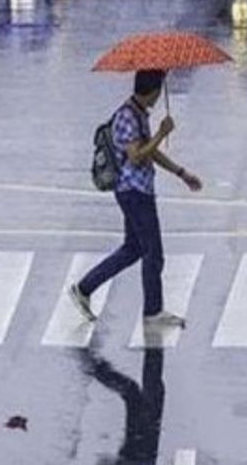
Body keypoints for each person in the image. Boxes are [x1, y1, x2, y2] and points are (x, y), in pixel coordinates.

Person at [69, 70, 203, 326]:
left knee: (134, 249)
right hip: (134, 192)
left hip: (138, 190)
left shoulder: (138, 114)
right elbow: (137, 155)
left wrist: (181, 173)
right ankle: (152, 312)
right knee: (154, 253)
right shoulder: (127, 117)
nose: (157, 97)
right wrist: (162, 134)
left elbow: (150, 152)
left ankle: (85, 288)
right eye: (158, 91)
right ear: (151, 91)